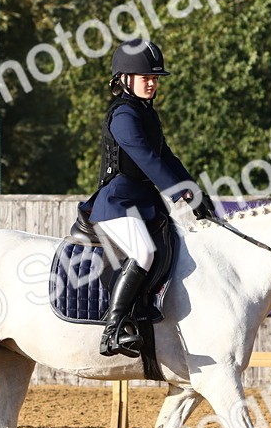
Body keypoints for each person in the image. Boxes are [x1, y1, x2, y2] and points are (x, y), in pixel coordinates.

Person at [81, 39, 215, 357]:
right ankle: (112, 330)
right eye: (146, 78)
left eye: (155, 78)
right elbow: (146, 159)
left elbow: (165, 156)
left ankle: (147, 311)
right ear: (125, 79)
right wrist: (179, 191)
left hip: (143, 201)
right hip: (117, 201)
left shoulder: (146, 113)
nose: (152, 83)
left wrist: (194, 190)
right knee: (143, 253)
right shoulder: (124, 115)